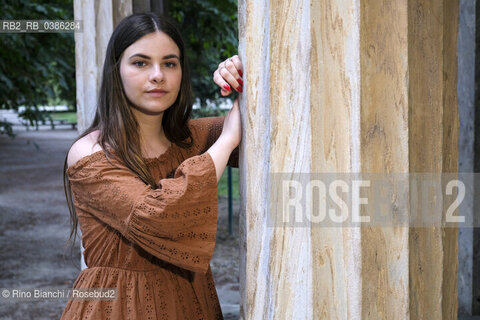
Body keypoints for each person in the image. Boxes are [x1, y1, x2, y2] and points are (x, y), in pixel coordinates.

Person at [61, 12, 243, 319]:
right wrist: (226, 141)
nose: (157, 75)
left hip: (191, 304)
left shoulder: (193, 139)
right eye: (140, 63)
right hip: (117, 308)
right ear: (115, 71)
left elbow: (272, 129)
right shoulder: (90, 153)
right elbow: (158, 216)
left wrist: (241, 73)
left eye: (169, 63)